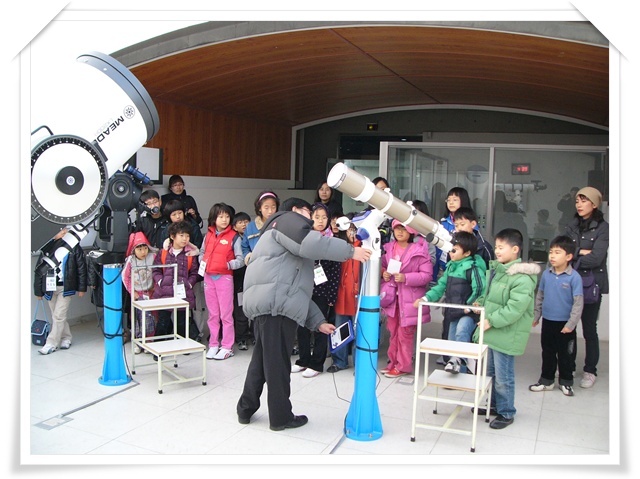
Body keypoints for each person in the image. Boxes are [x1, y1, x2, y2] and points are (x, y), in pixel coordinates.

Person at [236, 197, 372, 431]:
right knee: (278, 365)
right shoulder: (289, 220)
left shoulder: (276, 234)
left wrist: (318, 322)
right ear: (296, 210)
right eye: (309, 212)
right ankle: (281, 417)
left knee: (261, 361)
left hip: (270, 304)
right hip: (275, 307)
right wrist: (351, 251)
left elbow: (294, 290)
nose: (310, 218)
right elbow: (314, 244)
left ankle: (245, 408)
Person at [471, 228, 540, 429]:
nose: (497, 251)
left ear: (515, 249)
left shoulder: (522, 278)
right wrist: (480, 302)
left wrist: (490, 321)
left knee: (504, 377)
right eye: (496, 247)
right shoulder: (499, 271)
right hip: (494, 332)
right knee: (491, 373)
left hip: (506, 334)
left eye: (502, 247)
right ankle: (494, 405)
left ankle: (506, 412)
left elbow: (514, 309)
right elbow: (491, 297)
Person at [414, 231, 486, 374]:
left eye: (455, 250)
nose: (451, 253)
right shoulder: (451, 267)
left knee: (461, 331)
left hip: (469, 313)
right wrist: (426, 298)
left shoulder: (474, 268)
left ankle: (458, 364)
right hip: (454, 312)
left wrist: (470, 307)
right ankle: (457, 370)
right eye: (451, 250)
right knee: (452, 341)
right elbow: (441, 286)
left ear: (467, 253)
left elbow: (479, 290)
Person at [564, 186, 608, 389]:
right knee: (569, 327)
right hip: (570, 282)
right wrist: (580, 252)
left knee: (589, 329)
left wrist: (574, 256)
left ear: (594, 204)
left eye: (584, 200)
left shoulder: (603, 228)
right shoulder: (572, 226)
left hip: (591, 284)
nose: (579, 205)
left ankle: (590, 370)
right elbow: (563, 250)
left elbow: (597, 257)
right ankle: (569, 366)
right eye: (577, 201)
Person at [530, 235, 584, 396]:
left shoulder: (574, 277)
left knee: (565, 355)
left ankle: (566, 382)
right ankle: (546, 381)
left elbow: (578, 303)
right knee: (547, 352)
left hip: (565, 324)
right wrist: (536, 316)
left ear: (569, 257)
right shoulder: (546, 274)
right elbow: (540, 296)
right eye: (551, 252)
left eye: (557, 252)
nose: (552, 256)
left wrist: (571, 324)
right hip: (548, 321)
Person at [291, 203, 341, 377]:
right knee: (301, 326)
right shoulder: (304, 238)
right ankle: (303, 360)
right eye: (317, 217)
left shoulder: (332, 241)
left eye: (324, 217)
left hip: (323, 291)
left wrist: (331, 296)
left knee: (320, 327)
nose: (320, 221)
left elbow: (335, 271)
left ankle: (317, 364)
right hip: (304, 289)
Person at [380, 219, 432, 378]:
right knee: (393, 332)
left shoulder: (420, 250)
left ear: (411, 232)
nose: (400, 232)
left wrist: (406, 277)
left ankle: (403, 366)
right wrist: (384, 273)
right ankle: (392, 363)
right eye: (397, 228)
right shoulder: (388, 248)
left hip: (409, 300)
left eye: (404, 229)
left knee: (405, 334)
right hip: (392, 299)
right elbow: (382, 266)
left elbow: (427, 276)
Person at [199, 203, 245, 360]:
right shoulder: (208, 235)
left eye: (227, 216)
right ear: (214, 218)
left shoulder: (234, 237)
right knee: (213, 314)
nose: (224, 219)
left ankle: (227, 346)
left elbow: (241, 259)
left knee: (226, 314)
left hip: (225, 278)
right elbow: (202, 252)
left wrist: (227, 265)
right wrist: (202, 262)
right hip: (208, 277)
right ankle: (213, 344)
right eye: (220, 216)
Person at [33, 228, 87, 355]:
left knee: (58, 315)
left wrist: (82, 288)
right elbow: (39, 269)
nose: (63, 233)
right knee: (57, 316)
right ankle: (66, 337)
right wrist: (38, 291)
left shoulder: (74, 247)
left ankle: (51, 343)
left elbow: (81, 267)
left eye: (64, 230)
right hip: (50, 287)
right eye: (60, 231)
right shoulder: (47, 248)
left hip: (65, 287)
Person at [151, 220, 200, 341]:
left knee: (182, 323)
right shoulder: (163, 252)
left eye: (187, 236)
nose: (185, 239)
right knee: (163, 322)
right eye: (181, 235)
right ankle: (158, 346)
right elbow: (156, 269)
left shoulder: (190, 254)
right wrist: (160, 281)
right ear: (172, 236)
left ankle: (181, 346)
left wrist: (189, 283)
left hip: (183, 294)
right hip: (164, 293)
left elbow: (194, 272)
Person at [327, 213, 361, 373]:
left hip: (359, 295)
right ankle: (339, 361)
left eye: (354, 229)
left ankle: (359, 363)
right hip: (341, 294)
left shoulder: (365, 247)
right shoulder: (339, 246)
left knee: (359, 330)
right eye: (349, 229)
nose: (352, 232)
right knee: (340, 328)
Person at [122, 231, 158, 352]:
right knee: (138, 318)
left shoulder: (153, 257)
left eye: (145, 248)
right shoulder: (130, 260)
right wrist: (132, 292)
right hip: (137, 294)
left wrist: (155, 287)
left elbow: (158, 272)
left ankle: (149, 341)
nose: (143, 252)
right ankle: (138, 341)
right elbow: (125, 277)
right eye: (139, 249)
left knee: (151, 317)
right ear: (133, 250)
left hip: (150, 292)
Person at [435, 187, 472, 277]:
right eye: (448, 200)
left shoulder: (469, 223)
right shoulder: (443, 222)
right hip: (442, 267)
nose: (451, 202)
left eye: (455, 200)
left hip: (461, 269)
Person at [231, 212, 252, 350]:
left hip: (254, 279)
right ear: (234, 226)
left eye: (246, 221)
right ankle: (241, 338)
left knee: (255, 310)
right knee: (241, 310)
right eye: (240, 222)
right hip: (239, 280)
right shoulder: (233, 240)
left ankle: (255, 335)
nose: (244, 224)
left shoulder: (254, 237)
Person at [241, 190, 280, 264]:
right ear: (259, 208)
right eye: (266, 207)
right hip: (257, 265)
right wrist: (249, 257)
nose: (270, 211)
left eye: (273, 207)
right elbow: (244, 247)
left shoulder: (280, 224)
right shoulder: (251, 227)